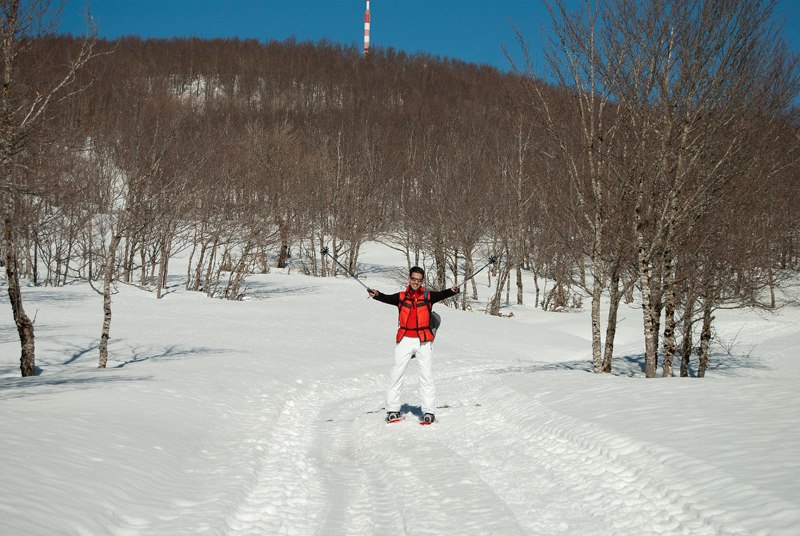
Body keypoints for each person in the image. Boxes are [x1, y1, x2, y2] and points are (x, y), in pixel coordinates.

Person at [367, 266, 460, 425]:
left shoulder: (428, 296)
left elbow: (443, 294)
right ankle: (392, 410)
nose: (416, 282)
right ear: (409, 279)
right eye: (413, 279)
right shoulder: (401, 297)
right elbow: (386, 298)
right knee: (397, 373)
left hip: (423, 341)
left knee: (426, 376)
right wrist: (376, 295)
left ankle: (429, 412)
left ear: (422, 281)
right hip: (405, 339)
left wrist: (453, 291)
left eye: (419, 280)